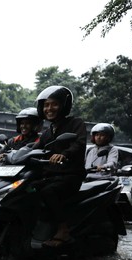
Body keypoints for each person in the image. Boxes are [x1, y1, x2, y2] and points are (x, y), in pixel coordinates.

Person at [31, 85, 87, 247]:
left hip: (70, 175)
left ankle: (63, 230)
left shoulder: (76, 123)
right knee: (27, 189)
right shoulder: (48, 132)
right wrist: (9, 155)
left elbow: (79, 143)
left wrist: (65, 154)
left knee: (48, 192)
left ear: (64, 105)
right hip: (50, 176)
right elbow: (35, 148)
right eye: (46, 105)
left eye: (54, 104)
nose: (49, 108)